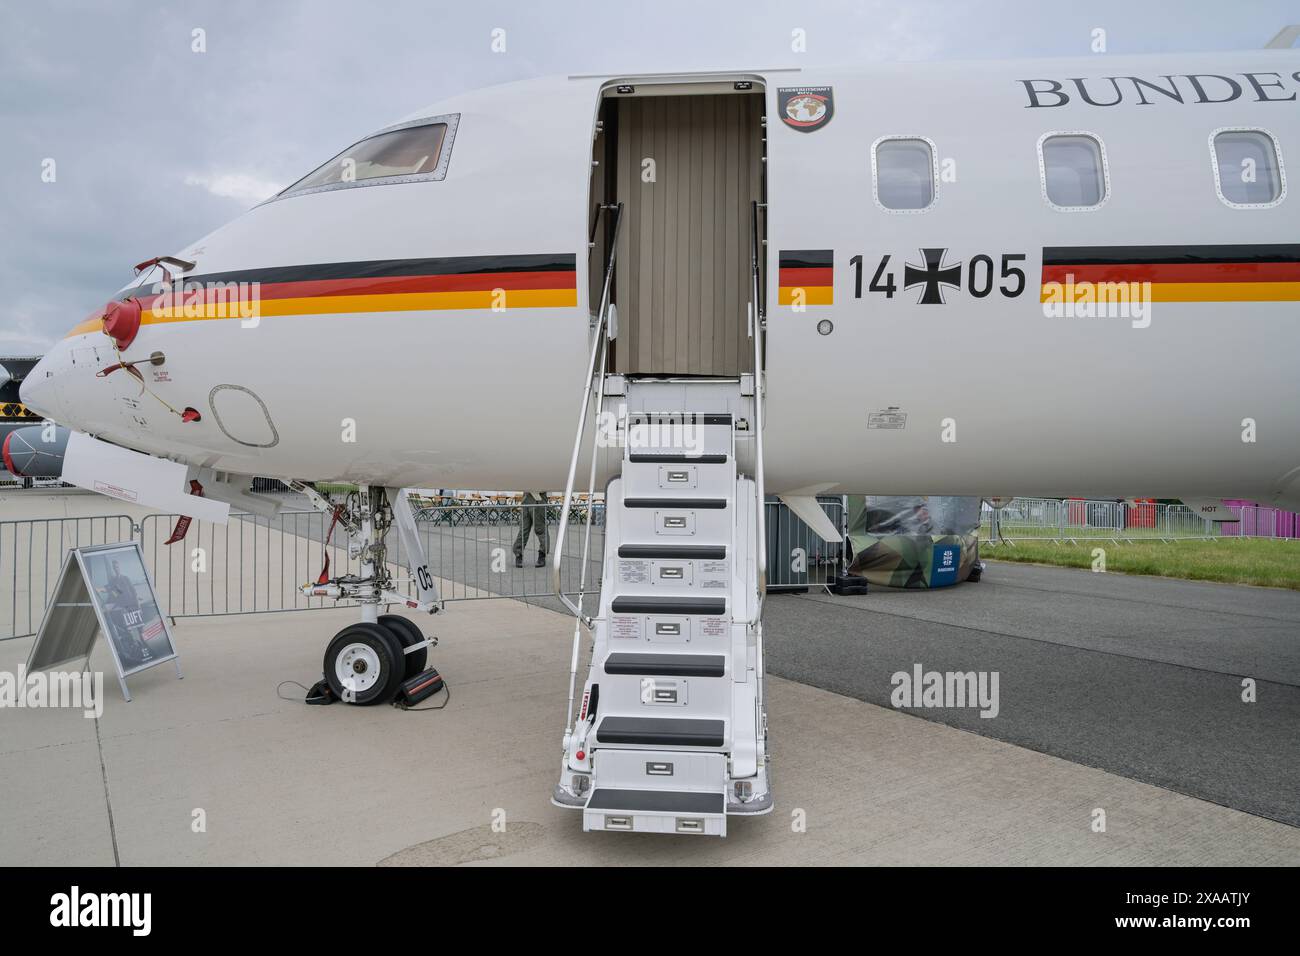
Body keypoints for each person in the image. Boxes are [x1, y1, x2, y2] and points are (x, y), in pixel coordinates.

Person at [513, 492, 550, 568]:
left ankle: (542, 554)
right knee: (523, 529)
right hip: (526, 499)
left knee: (540, 529)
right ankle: (518, 554)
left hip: (539, 499)